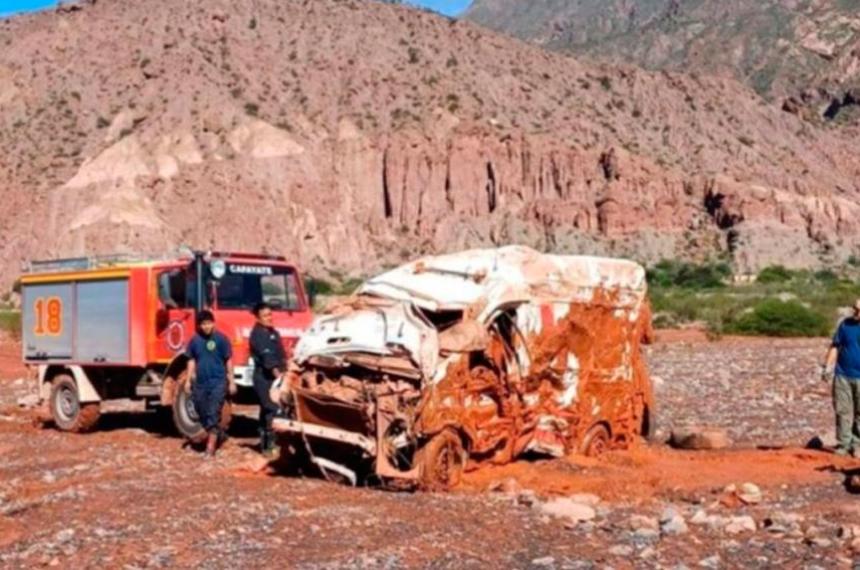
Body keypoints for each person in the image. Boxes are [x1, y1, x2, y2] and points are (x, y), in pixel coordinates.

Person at [186, 310, 235, 457]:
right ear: (199, 325)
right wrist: (188, 380)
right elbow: (191, 360)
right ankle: (216, 433)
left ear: (213, 323)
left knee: (213, 411)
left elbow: (228, 360)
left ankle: (210, 446)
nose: (206, 327)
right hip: (201, 382)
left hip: (218, 381)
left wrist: (231, 381)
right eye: (203, 324)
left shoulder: (221, 340)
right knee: (200, 410)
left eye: (209, 323)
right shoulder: (195, 341)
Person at [822, 299, 860, 456]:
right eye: (855, 309)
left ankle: (857, 444)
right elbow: (836, 346)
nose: (856, 313)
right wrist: (827, 367)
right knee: (842, 410)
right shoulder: (845, 325)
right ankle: (843, 444)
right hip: (842, 374)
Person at [249, 302, 287, 456]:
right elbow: (267, 358)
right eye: (265, 316)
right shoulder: (257, 334)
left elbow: (281, 355)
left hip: (277, 377)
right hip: (264, 378)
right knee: (272, 409)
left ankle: (266, 445)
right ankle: (270, 447)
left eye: (270, 314)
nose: (269, 318)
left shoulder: (274, 333)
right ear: (258, 318)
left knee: (266, 411)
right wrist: (278, 375)